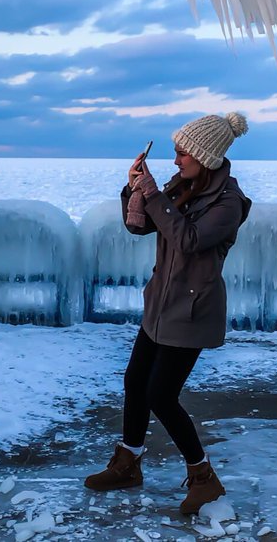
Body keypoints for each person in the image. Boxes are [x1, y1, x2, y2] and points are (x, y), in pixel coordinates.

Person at [84, 112, 252, 515]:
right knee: (135, 381)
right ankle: (128, 463)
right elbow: (142, 227)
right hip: (160, 302)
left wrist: (154, 194)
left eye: (182, 154)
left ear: (204, 155)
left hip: (192, 310)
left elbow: (187, 239)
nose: (176, 162)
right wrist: (134, 189)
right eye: (175, 153)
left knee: (161, 394)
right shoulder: (185, 186)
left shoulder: (228, 203)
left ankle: (203, 476)